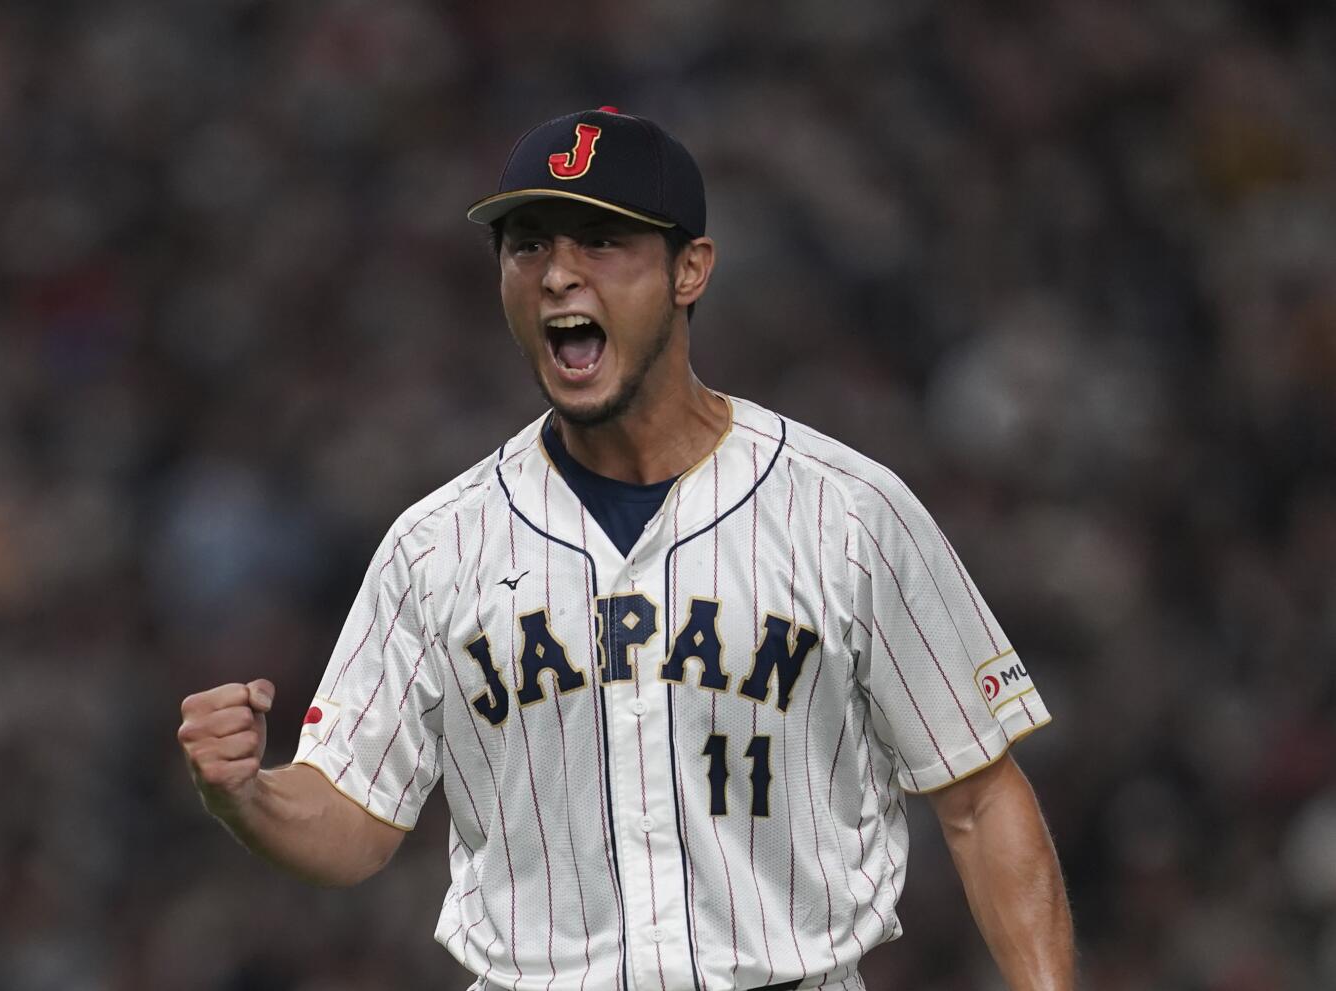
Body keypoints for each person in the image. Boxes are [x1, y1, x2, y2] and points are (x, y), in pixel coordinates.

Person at [177, 107, 1075, 991]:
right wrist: (248, 794)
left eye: (601, 241)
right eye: (528, 245)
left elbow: (981, 798)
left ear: (691, 269)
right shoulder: (436, 546)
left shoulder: (848, 512)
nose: (559, 274)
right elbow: (352, 821)